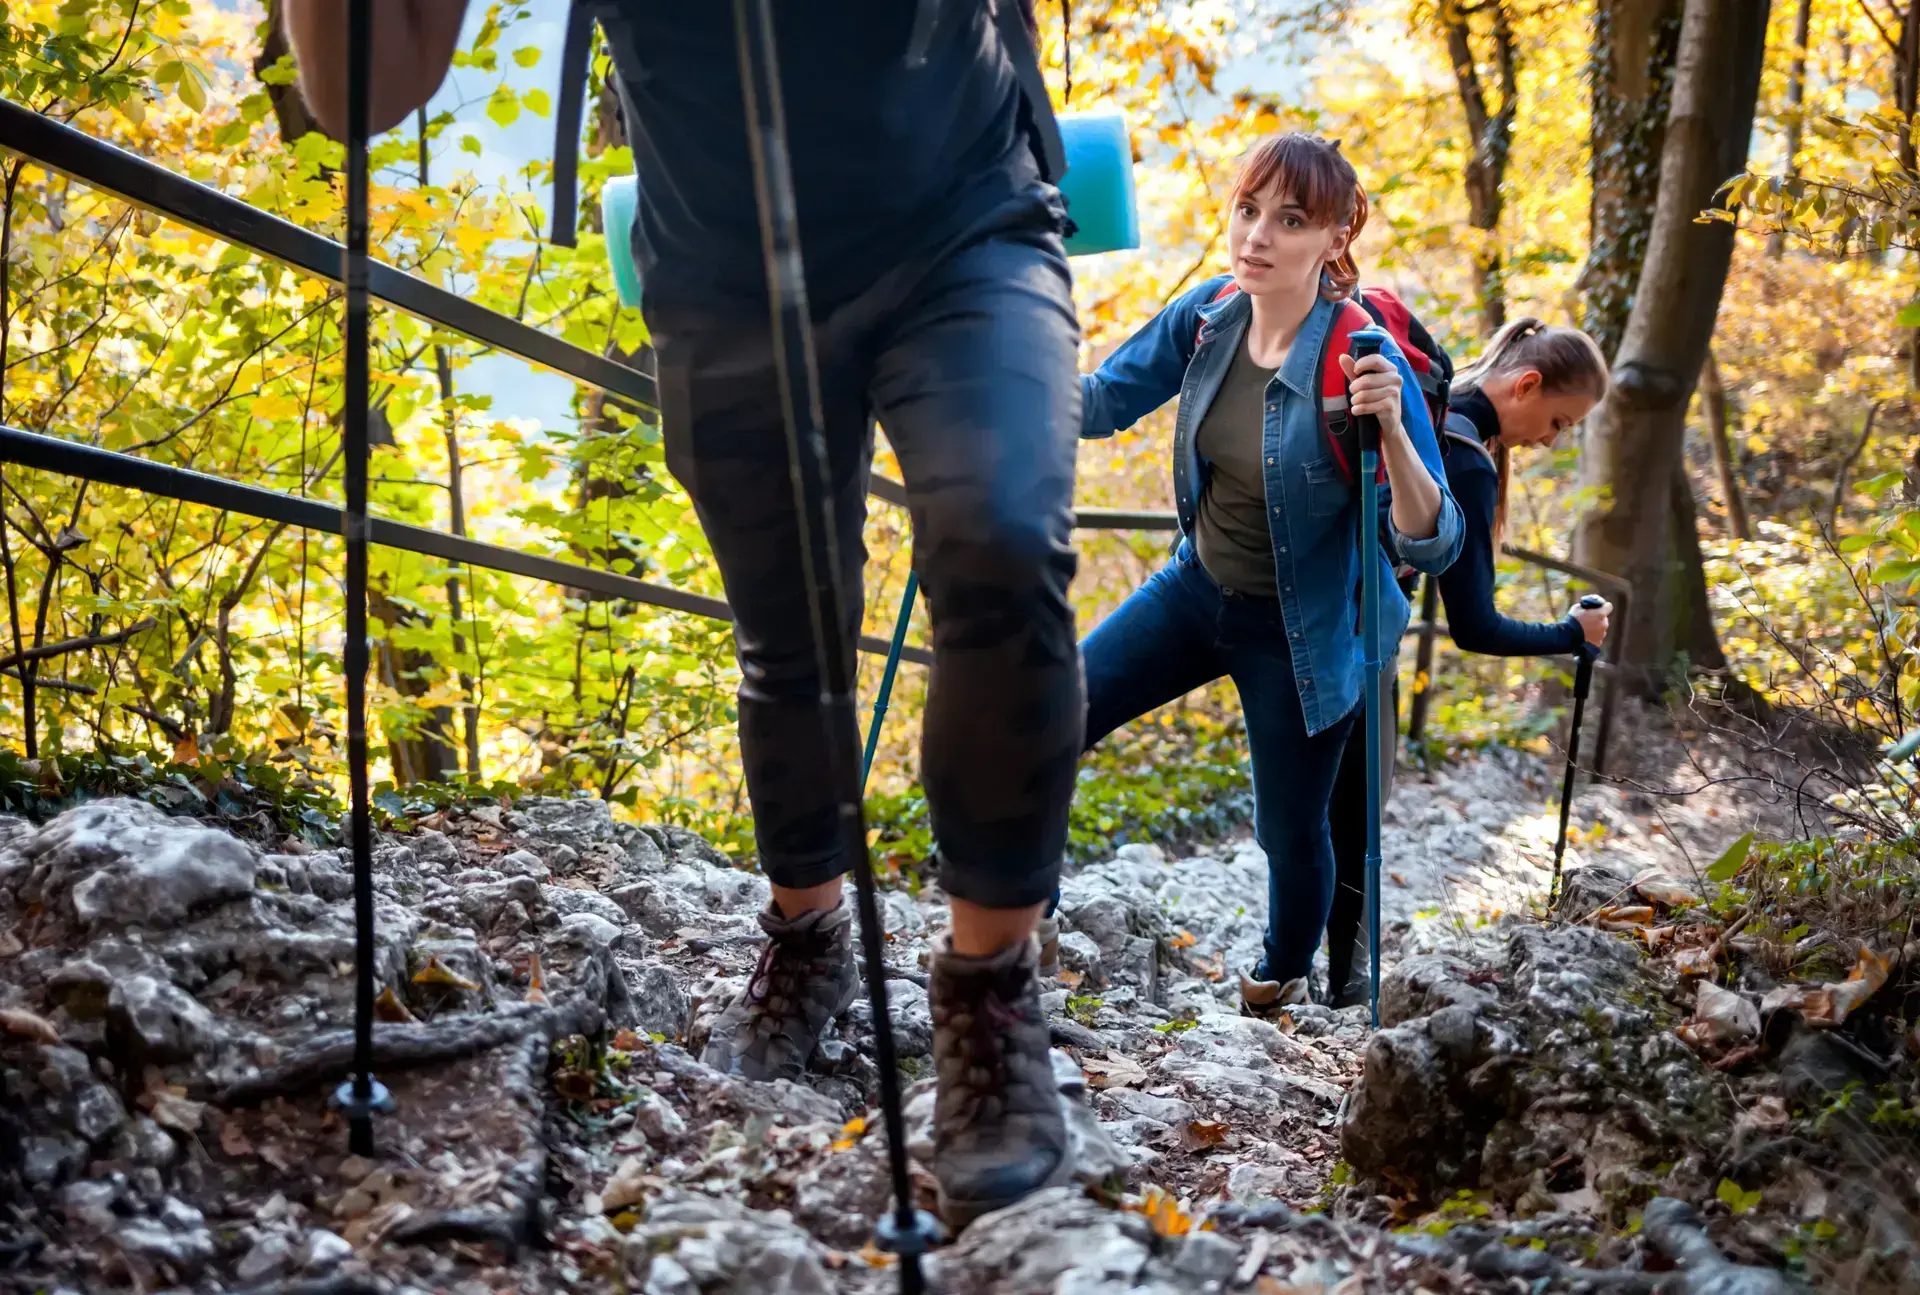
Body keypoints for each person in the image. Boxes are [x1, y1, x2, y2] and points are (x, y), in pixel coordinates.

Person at [285, 0, 1085, 1229]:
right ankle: (809, 933)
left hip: (964, 211)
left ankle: (987, 987)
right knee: (791, 629)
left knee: (1001, 534)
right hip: (723, 264)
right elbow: (359, 88)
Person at [1072, 133, 1464, 1014]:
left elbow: (1436, 540)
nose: (1255, 236)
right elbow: (1100, 402)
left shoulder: (1363, 357)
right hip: (1193, 586)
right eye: (1248, 209)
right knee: (1059, 710)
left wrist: (1394, 432)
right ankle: (1025, 915)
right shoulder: (1208, 317)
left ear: (1333, 239)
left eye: (1289, 220)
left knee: (1290, 832)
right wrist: (1002, 362)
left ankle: (1282, 968)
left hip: (1303, 629)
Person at [1319, 317, 1614, 1008]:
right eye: (1558, 421)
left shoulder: (1436, 408)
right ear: (1528, 383)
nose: (1550, 439)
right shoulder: (1469, 462)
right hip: (1360, 630)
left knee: (1326, 804)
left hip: (1322, 604)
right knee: (1357, 809)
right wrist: (1570, 632)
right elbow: (1475, 627)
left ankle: (1307, 965)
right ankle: (1342, 982)